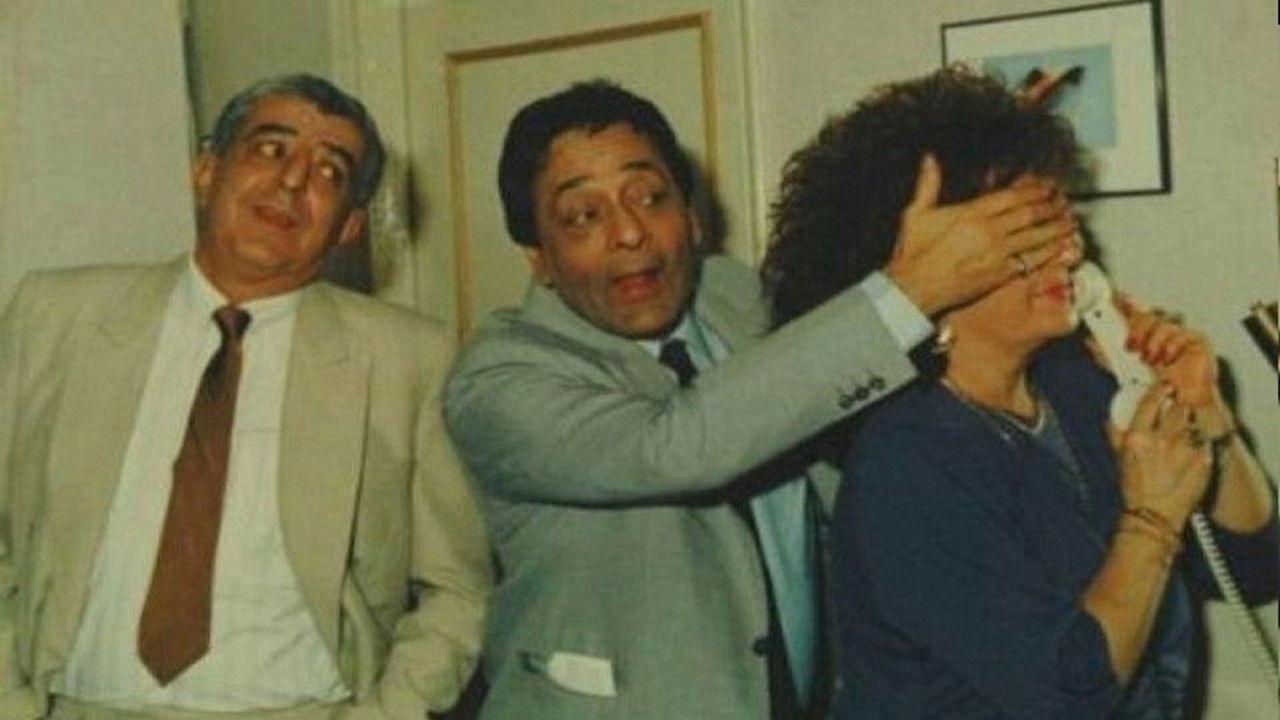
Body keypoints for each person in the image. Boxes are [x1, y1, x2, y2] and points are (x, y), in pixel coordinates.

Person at [442, 79, 1078, 719]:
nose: (629, 233)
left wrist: (974, 168)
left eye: (650, 197)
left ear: (692, 215)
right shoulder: (496, 380)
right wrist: (914, 288)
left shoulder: (736, 296)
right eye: (583, 215)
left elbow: (843, 362)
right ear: (538, 257)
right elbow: (677, 446)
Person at [762, 66, 1279, 719]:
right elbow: (1069, 690)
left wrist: (1208, 420)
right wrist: (1151, 519)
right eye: (1027, 234)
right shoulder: (906, 461)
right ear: (929, 270)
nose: (1068, 253)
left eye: (1060, 223)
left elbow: (1254, 563)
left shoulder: (1079, 387)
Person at [0, 74, 492, 720]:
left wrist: (392, 712)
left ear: (349, 225)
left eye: (329, 171)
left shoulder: (405, 358)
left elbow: (458, 586)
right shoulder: (56, 316)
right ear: (206, 170)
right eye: (270, 149)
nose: (292, 181)